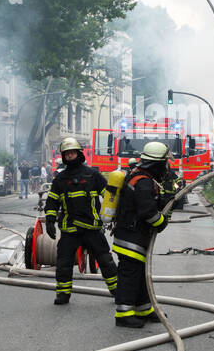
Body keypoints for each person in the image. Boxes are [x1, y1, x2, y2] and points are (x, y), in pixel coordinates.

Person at [44, 138, 118, 305]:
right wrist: (50, 220)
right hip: (70, 229)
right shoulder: (60, 179)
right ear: (63, 157)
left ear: (79, 153)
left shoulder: (93, 175)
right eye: (67, 154)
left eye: (73, 152)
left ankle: (117, 291)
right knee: (63, 262)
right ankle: (63, 294)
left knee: (105, 260)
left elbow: (108, 197)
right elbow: (52, 202)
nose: (70, 156)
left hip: (92, 228)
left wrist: (115, 215)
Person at [111, 140, 174, 328]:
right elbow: (147, 212)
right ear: (157, 164)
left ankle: (144, 309)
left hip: (132, 235)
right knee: (130, 276)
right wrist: (161, 222)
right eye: (164, 163)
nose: (166, 167)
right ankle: (123, 314)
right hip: (132, 238)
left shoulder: (139, 177)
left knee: (139, 275)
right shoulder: (144, 182)